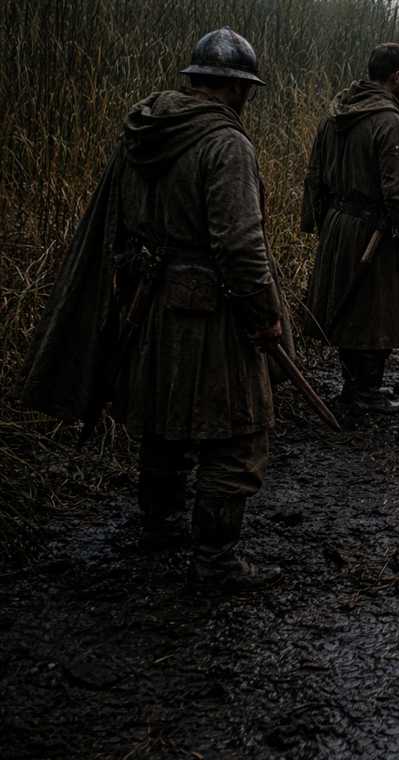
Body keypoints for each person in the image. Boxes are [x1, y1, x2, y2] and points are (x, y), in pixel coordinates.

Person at [21, 28, 288, 592]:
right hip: (211, 312)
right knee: (237, 429)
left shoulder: (142, 133)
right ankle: (215, 561)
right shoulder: (226, 144)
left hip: (147, 308)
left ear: (193, 81)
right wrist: (265, 315)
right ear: (238, 90)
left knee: (164, 417)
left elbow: (120, 222)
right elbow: (240, 246)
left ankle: (159, 524)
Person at [301, 43, 399, 414]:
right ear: (396, 76)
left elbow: (314, 177)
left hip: (339, 224)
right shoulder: (390, 123)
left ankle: (355, 388)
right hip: (373, 230)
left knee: (350, 304)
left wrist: (321, 224)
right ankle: (366, 392)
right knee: (374, 308)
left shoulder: (335, 115)